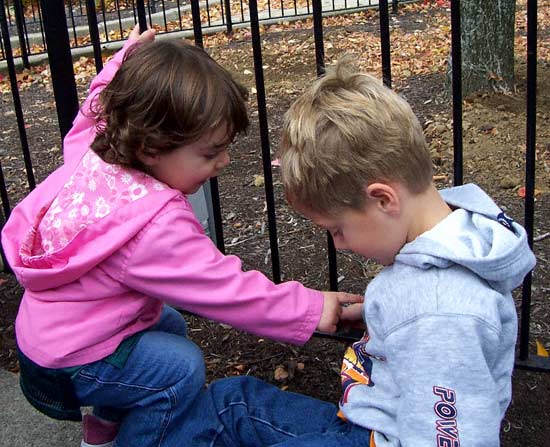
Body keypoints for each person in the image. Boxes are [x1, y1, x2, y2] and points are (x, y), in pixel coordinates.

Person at [0, 27, 363, 447]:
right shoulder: (152, 225)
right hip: (73, 361)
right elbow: (223, 288)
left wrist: (127, 57)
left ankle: (102, 434)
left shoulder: (94, 151)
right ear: (151, 147)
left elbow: (98, 105)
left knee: (166, 324)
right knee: (180, 369)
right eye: (209, 153)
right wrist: (311, 307)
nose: (224, 162)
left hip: (49, 334)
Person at [174, 57, 537, 446]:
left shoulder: (441, 315)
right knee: (232, 401)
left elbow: (451, 433)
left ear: (382, 200)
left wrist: (412, 318)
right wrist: (380, 314)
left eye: (337, 229)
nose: (339, 244)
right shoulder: (444, 234)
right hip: (367, 418)